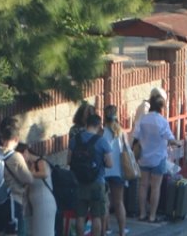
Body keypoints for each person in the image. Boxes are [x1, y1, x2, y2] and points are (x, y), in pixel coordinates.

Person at [133, 96, 178, 223]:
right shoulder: (162, 121)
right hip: (158, 158)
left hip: (144, 157)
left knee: (143, 186)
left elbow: (136, 136)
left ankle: (142, 213)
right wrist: (177, 143)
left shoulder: (143, 120)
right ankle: (152, 215)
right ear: (161, 107)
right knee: (155, 188)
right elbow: (170, 138)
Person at [0, 119, 31, 236]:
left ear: (1, 139)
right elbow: (28, 179)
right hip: (12, 200)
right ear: (16, 139)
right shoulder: (15, 156)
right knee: (14, 232)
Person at [71, 113, 112, 228]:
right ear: (98, 125)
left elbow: (69, 160)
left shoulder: (75, 139)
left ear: (86, 124)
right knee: (96, 216)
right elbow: (110, 164)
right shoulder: (102, 141)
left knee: (80, 215)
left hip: (79, 181)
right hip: (97, 182)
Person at [99, 105, 130, 236]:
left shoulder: (101, 133)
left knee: (104, 203)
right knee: (119, 202)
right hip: (118, 171)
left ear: (104, 117)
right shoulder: (121, 133)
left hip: (105, 171)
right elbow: (127, 150)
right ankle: (122, 231)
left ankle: (106, 229)